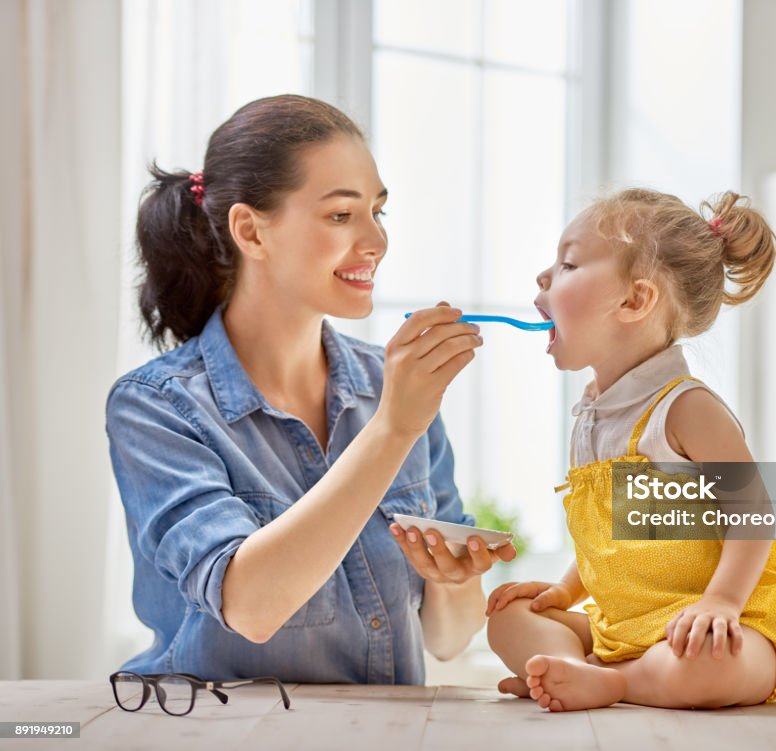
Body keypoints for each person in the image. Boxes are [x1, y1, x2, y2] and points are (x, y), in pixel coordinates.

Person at [105, 94, 514, 683]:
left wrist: (457, 579)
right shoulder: (156, 406)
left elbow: (447, 641)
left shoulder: (391, 386)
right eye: (342, 215)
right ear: (250, 230)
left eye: (379, 211)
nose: (376, 241)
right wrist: (393, 429)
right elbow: (250, 606)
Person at [485, 188, 776, 711]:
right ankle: (578, 674)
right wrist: (564, 593)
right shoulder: (593, 416)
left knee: (713, 666)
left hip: (704, 624)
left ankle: (615, 683)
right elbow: (614, 534)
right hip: (626, 626)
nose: (544, 277)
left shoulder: (687, 409)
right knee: (508, 620)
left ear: (634, 301)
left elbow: (753, 514)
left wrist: (721, 603)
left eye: (568, 263)